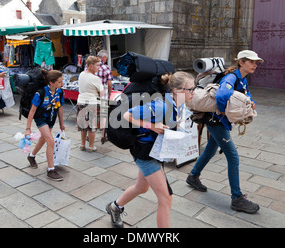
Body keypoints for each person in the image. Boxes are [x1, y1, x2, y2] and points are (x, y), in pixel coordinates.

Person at [106, 71, 196, 228]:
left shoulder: (174, 104)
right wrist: (152, 126)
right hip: (145, 154)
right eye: (191, 89)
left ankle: (114, 207)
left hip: (154, 152)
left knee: (142, 187)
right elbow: (127, 115)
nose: (193, 93)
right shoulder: (161, 105)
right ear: (177, 90)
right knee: (166, 198)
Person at [186, 50, 262, 214]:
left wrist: (252, 102)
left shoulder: (242, 78)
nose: (255, 65)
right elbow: (221, 95)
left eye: (256, 62)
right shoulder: (231, 77)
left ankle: (193, 176)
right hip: (216, 121)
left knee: (210, 150)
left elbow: (246, 93)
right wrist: (222, 111)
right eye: (252, 62)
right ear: (241, 62)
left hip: (221, 122)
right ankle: (237, 198)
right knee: (233, 157)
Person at [25, 70, 65, 181]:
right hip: (40, 118)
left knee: (43, 139)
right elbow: (32, 111)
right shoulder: (40, 93)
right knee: (50, 141)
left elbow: (60, 108)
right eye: (59, 82)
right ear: (51, 82)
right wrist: (28, 129)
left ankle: (31, 156)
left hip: (51, 118)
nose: (62, 84)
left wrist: (62, 123)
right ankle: (51, 170)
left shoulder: (60, 92)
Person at [77, 56, 104, 153]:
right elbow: (102, 93)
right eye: (97, 65)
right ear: (91, 66)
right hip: (92, 102)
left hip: (81, 101)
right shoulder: (95, 78)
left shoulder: (81, 74)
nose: (99, 67)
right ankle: (91, 146)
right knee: (92, 127)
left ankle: (82, 144)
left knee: (83, 125)